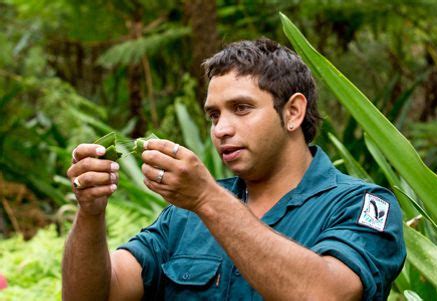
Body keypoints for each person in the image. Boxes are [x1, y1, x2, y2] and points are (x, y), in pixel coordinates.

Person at [63, 38, 406, 301]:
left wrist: (207, 199)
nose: (221, 129)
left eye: (241, 108)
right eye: (214, 115)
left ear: (293, 112)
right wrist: (90, 213)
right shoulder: (183, 217)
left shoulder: (363, 206)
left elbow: (324, 293)